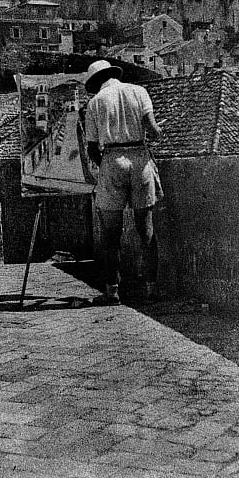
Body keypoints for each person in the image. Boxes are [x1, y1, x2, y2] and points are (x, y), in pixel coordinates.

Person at [84, 59, 163, 305]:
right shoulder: (139, 91)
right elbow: (152, 128)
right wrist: (158, 133)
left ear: (96, 82)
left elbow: (92, 147)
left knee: (111, 235)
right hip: (139, 159)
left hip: (112, 159)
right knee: (146, 230)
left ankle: (112, 291)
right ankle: (151, 289)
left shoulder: (95, 103)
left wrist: (106, 165)